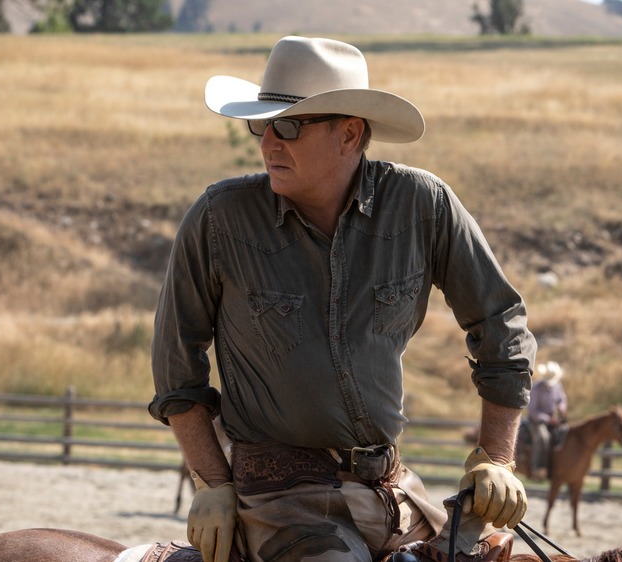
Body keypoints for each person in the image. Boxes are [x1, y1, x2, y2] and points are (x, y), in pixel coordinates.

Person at [149, 36, 537, 562]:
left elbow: (501, 321)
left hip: (396, 494)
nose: (268, 143)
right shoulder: (220, 220)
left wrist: (497, 458)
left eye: (288, 126)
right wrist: (213, 481)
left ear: (350, 133)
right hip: (282, 502)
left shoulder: (423, 207)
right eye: (260, 125)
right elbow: (177, 368)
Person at [526, 361, 567, 480]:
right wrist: (548, 419)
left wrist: (562, 407)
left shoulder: (557, 386)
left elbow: (562, 400)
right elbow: (533, 410)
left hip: (554, 419)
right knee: (543, 438)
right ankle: (538, 468)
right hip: (537, 421)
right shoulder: (536, 388)